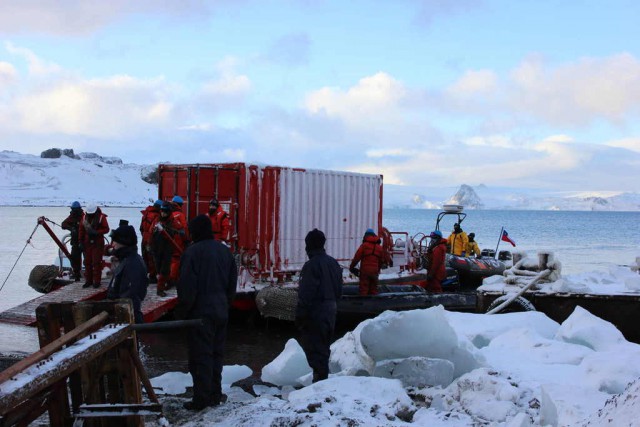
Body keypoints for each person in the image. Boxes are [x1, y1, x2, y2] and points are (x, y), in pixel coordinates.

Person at [177, 214, 237, 411]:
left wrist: (183, 312)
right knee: (216, 354)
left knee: (200, 356)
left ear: (195, 232)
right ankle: (214, 393)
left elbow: (187, 288)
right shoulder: (224, 251)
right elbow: (232, 283)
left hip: (200, 312)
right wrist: (225, 303)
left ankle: (201, 398)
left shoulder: (192, 253)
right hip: (221, 310)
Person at [296, 229, 343, 383]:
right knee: (324, 347)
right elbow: (339, 290)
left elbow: (306, 293)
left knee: (314, 349)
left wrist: (300, 316)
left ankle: (319, 382)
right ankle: (322, 380)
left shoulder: (311, 266)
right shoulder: (333, 263)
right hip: (331, 309)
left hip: (316, 311)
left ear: (308, 245)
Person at [107, 220, 148, 324]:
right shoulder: (125, 260)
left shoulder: (133, 263)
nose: (113, 244)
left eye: (115, 241)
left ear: (123, 242)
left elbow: (132, 295)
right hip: (121, 314)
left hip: (127, 318)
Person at [349, 228, 391, 296]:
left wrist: (351, 267)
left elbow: (356, 258)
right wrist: (378, 270)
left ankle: (363, 304)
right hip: (374, 271)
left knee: (363, 289)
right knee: (373, 289)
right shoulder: (379, 248)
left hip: (365, 271)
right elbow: (381, 261)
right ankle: (373, 304)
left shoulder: (364, 246)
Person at [151, 202, 180, 297]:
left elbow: (180, 231)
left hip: (167, 248)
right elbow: (150, 231)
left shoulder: (173, 221)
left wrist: (170, 230)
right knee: (158, 268)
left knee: (165, 269)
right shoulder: (156, 220)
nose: (163, 214)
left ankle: (160, 289)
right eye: (162, 211)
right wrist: (149, 244)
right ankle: (164, 282)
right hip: (156, 247)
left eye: (165, 212)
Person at [78, 205, 109, 288]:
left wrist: (97, 232)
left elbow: (106, 229)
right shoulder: (84, 218)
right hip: (87, 243)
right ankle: (88, 281)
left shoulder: (101, 218)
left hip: (97, 243)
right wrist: (80, 241)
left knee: (96, 262)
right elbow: (81, 230)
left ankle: (97, 281)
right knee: (87, 262)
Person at [140, 200, 162, 283]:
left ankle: (146, 274)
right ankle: (152, 276)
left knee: (145, 257)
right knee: (152, 258)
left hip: (144, 239)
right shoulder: (157, 216)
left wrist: (144, 237)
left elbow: (141, 228)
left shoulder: (146, 214)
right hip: (151, 239)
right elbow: (154, 230)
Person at [61, 201, 83, 281]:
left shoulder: (84, 216)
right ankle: (77, 274)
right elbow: (63, 224)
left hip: (84, 242)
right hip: (75, 242)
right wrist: (71, 228)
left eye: (75, 209)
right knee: (74, 259)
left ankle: (88, 275)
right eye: (73, 209)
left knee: (88, 259)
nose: (75, 211)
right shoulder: (71, 217)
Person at [169, 195, 188, 287]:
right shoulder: (179, 214)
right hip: (177, 239)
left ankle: (165, 278)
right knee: (176, 259)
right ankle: (172, 279)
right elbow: (184, 229)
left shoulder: (166, 211)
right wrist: (187, 240)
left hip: (167, 238)